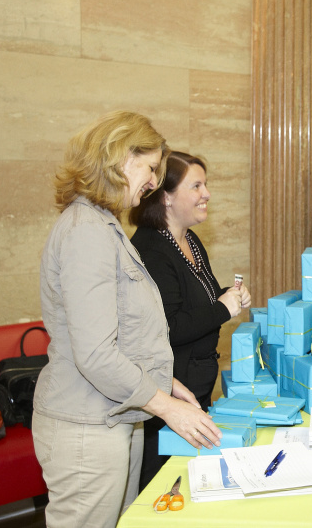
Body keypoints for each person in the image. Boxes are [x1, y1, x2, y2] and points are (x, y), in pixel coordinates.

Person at [33, 111, 222, 528]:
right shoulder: (85, 230)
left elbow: (124, 334)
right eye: (151, 168)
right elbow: (97, 354)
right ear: (121, 159)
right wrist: (168, 407)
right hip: (86, 425)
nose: (154, 182)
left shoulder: (104, 225)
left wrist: (165, 380)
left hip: (116, 414)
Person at [129, 151, 251, 489]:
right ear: (166, 197)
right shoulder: (152, 249)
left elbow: (203, 296)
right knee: (164, 488)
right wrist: (222, 309)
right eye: (196, 186)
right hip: (169, 395)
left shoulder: (191, 240)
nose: (206, 194)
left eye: (205, 185)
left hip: (197, 386)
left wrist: (230, 294)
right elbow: (169, 328)